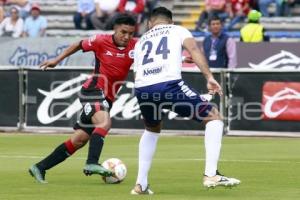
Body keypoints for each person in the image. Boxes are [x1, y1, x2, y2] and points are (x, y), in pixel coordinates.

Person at [130, 7, 240, 195]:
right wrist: (209, 77)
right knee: (214, 117)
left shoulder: (141, 41)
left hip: (142, 88)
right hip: (168, 85)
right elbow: (195, 49)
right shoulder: (178, 30)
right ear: (170, 21)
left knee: (151, 129)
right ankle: (211, 174)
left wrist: (180, 60)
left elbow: (144, 65)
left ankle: (140, 185)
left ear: (150, 23)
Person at [28, 14, 137, 184]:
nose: (127, 37)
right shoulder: (101, 41)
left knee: (79, 140)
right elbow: (78, 45)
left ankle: (39, 167)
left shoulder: (136, 46)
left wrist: (182, 59)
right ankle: (92, 163)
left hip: (107, 98)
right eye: (123, 32)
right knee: (105, 123)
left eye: (131, 33)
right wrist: (57, 60)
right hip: (92, 90)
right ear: (115, 29)